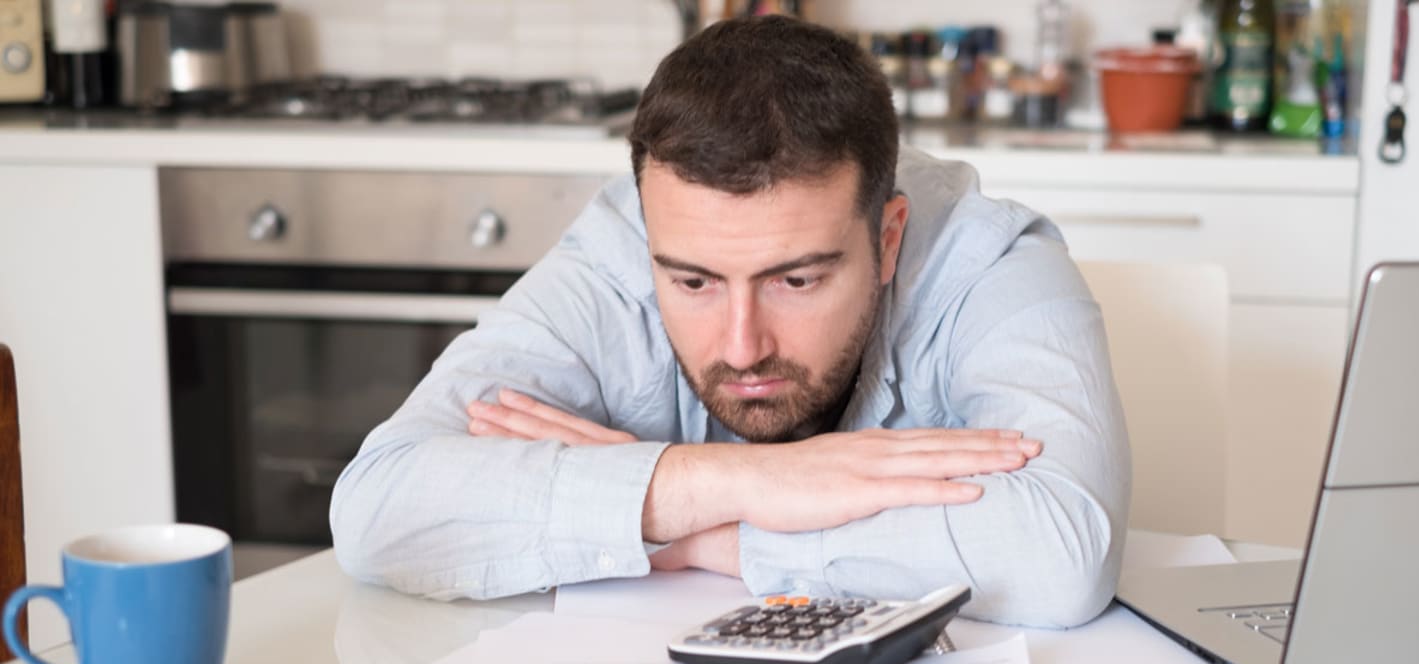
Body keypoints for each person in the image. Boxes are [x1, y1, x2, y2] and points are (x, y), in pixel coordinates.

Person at [331, 17, 1130, 629]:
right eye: (694, 282)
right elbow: (377, 512)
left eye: (796, 278)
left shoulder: (990, 261)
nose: (743, 345)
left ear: (886, 238)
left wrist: (693, 535)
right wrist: (742, 481)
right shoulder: (617, 256)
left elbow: (1061, 557)